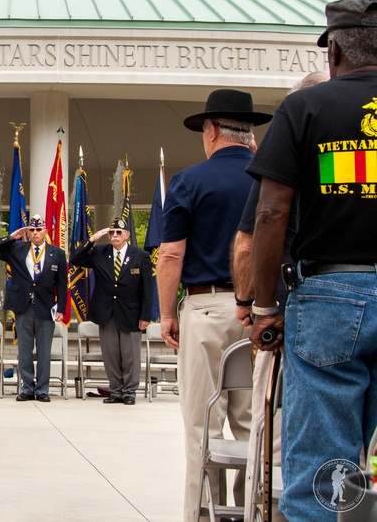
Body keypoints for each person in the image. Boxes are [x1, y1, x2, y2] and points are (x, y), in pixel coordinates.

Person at [248, 0, 377, 520]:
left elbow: (271, 213)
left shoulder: (305, 108)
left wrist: (262, 306)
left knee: (322, 469)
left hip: (329, 296)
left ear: (336, 49)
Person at [157, 88, 271, 521]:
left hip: (205, 310)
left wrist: (168, 313)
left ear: (210, 131)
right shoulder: (269, 177)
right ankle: (250, 511)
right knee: (251, 424)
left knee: (202, 428)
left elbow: (170, 255)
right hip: (260, 311)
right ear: (250, 134)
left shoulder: (189, 180)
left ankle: (204, 514)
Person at [230, 71, 327, 520]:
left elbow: (251, 237)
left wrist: (255, 308)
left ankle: (273, 510)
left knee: (284, 434)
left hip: (296, 313)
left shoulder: (288, 156)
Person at [71, 218, 153, 405]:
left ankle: (130, 392)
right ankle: (116, 391)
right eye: (111, 233)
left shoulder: (140, 256)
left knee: (130, 355)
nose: (114, 236)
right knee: (111, 354)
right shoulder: (100, 252)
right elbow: (75, 258)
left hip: (131, 313)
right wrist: (92, 239)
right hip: (107, 312)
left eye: (118, 233)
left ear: (127, 235)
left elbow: (147, 289)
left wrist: (145, 316)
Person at [0, 213, 66, 403]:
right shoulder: (17, 248)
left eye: (39, 229)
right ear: (27, 232)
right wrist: (12, 236)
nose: (36, 233)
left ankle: (42, 389)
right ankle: (27, 387)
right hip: (23, 305)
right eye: (32, 230)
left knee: (44, 350)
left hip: (45, 306)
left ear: (45, 231)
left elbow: (62, 284)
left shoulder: (57, 253)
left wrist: (61, 308)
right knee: (24, 349)